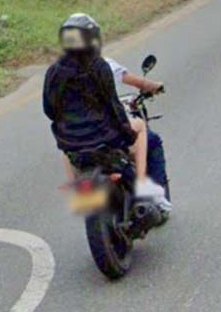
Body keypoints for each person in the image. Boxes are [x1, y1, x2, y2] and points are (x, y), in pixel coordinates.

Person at [43, 14, 166, 206]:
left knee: (67, 152)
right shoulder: (100, 66)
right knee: (141, 127)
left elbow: (49, 110)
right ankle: (142, 184)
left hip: (71, 143)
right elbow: (113, 106)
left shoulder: (55, 71)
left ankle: (78, 188)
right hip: (105, 138)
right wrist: (126, 133)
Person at [104, 55, 172, 211]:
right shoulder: (103, 65)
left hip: (79, 143)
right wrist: (155, 86)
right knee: (152, 140)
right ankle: (147, 190)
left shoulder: (61, 73)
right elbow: (140, 83)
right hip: (106, 131)